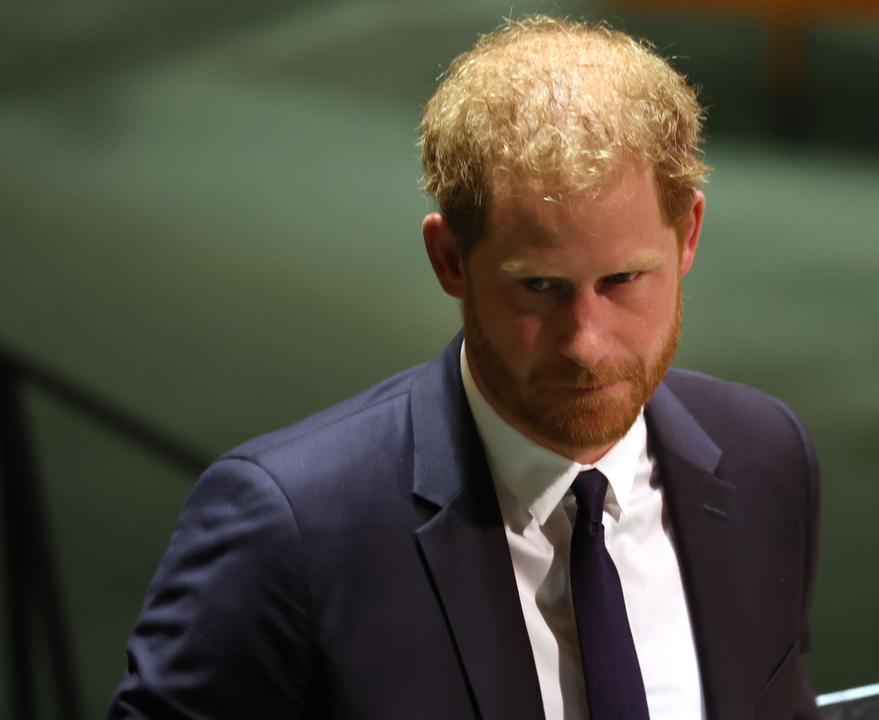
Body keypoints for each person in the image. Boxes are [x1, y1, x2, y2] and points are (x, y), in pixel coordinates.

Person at [108, 15, 819, 720]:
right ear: (450, 260)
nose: (587, 343)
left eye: (624, 280)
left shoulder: (765, 458)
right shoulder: (289, 531)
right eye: (539, 287)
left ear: (688, 234)